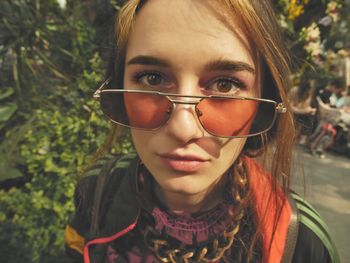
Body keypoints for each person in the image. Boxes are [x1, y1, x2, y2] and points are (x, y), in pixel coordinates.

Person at [65, 1, 340, 262]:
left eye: (224, 85)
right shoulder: (98, 190)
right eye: (153, 78)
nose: (183, 130)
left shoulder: (304, 242)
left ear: (263, 101)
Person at [288, 77, 317, 145]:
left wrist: (309, 110)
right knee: (307, 117)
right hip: (290, 110)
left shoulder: (308, 94)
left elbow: (306, 106)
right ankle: (303, 135)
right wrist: (305, 110)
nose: (311, 90)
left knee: (310, 115)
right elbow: (289, 105)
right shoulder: (295, 90)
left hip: (298, 112)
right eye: (311, 88)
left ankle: (302, 135)